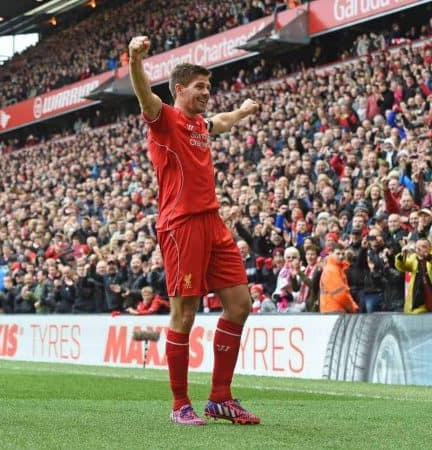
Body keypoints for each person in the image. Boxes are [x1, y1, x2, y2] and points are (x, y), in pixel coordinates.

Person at [129, 35, 260, 426]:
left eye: (209, 86)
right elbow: (143, 93)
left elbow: (219, 122)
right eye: (200, 87)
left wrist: (241, 111)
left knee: (240, 304)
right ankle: (179, 404)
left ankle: (220, 397)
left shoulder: (201, 124)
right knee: (184, 313)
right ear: (179, 89)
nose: (207, 92)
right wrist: (135, 59)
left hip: (212, 221)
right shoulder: (164, 118)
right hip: (180, 224)